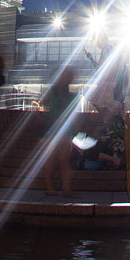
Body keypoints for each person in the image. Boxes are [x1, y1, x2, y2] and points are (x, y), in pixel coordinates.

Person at [38, 66, 76, 196]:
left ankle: (66, 189)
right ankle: (51, 188)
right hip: (52, 129)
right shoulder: (52, 94)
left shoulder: (67, 95)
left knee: (63, 161)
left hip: (63, 130)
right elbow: (40, 108)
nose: (68, 79)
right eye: (66, 77)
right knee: (52, 160)